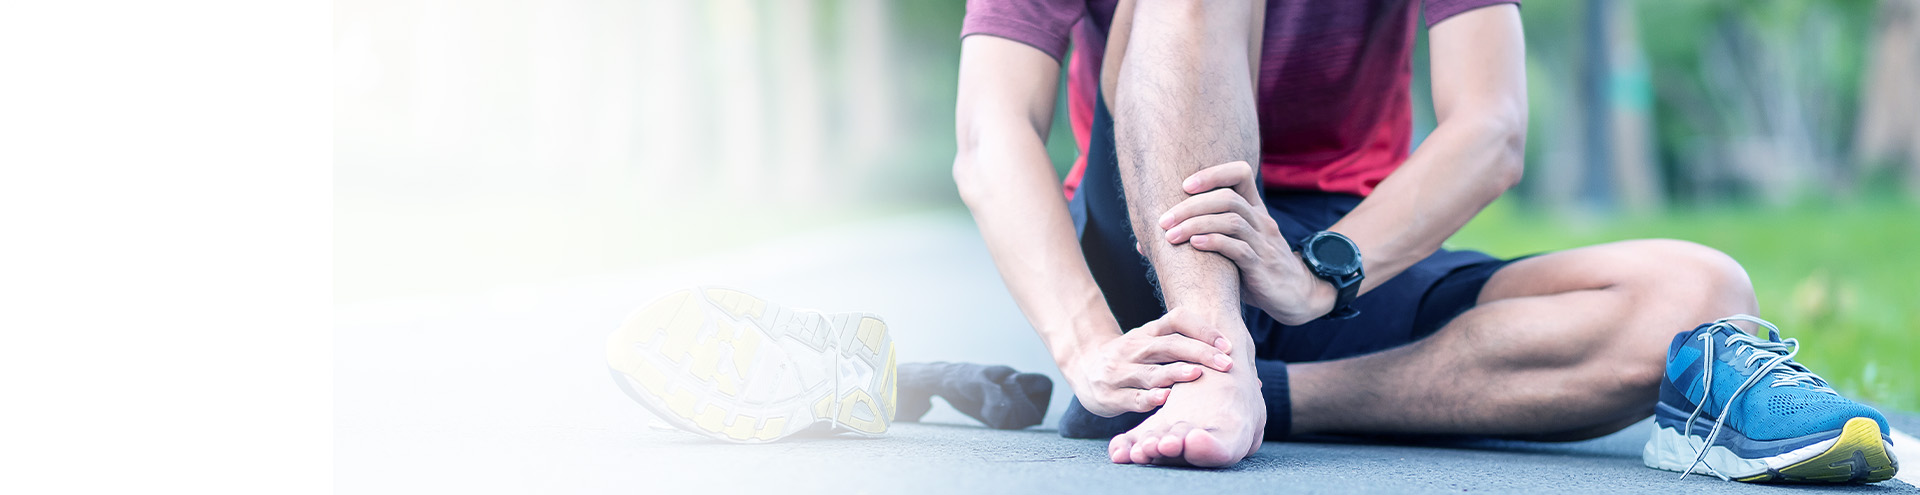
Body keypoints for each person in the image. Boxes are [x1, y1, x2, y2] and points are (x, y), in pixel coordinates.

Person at [949, 0, 1900, 482]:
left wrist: (1326, 274)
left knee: (1701, 291)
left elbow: (1492, 125)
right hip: (1150, 249)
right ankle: (1204, 354)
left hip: (1336, 252)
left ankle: (1261, 397)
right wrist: (1086, 349)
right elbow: (992, 137)